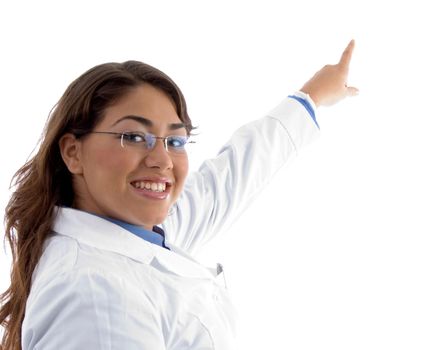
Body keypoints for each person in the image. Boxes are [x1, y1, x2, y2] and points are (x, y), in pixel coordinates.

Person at [0, 39, 359, 350]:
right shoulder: (96, 294)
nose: (162, 160)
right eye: (134, 137)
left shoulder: (131, 233)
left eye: (175, 141)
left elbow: (227, 181)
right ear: (73, 152)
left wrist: (310, 97)